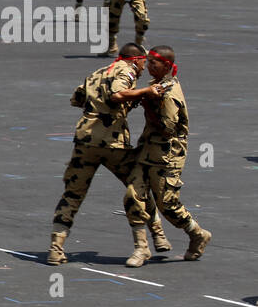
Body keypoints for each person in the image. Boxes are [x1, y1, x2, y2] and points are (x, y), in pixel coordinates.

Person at [48, 44, 163, 265]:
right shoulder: (126, 71)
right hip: (112, 142)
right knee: (137, 186)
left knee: (72, 194)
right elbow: (118, 94)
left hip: (85, 141)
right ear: (135, 59)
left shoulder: (98, 72)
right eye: (143, 61)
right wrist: (144, 92)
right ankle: (149, 240)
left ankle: (56, 248)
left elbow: (76, 98)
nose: (144, 66)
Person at [122, 47, 211, 266]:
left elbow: (167, 128)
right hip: (147, 150)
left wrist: (147, 103)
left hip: (167, 155)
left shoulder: (170, 93)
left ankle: (197, 234)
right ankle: (141, 249)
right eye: (149, 61)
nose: (150, 65)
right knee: (133, 197)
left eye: (155, 63)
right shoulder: (155, 86)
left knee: (168, 205)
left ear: (168, 67)